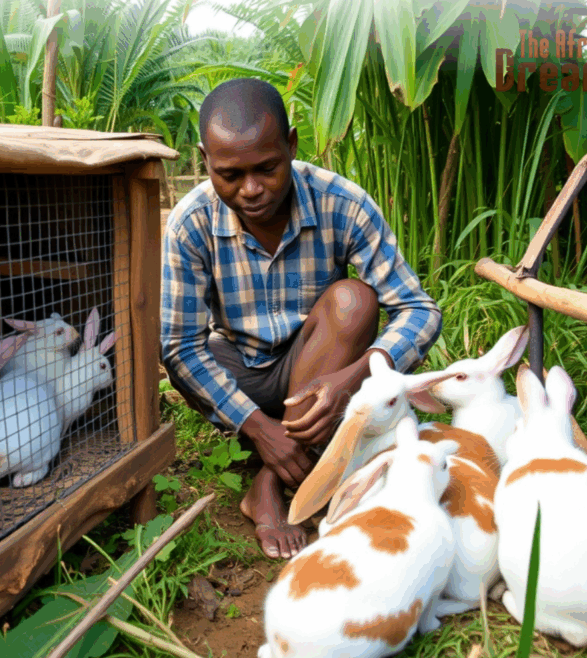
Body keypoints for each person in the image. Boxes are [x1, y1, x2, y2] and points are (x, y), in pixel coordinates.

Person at [160, 78, 442, 560]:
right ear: (205, 158)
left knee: (354, 300)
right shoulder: (191, 222)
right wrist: (256, 426)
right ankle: (283, 450)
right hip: (239, 371)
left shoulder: (342, 202)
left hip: (318, 370)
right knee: (184, 348)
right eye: (230, 174)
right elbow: (180, 347)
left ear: (290, 145)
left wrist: (352, 378)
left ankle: (268, 483)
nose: (251, 190)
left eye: (267, 168)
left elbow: (418, 309)